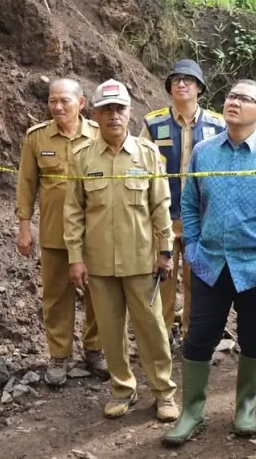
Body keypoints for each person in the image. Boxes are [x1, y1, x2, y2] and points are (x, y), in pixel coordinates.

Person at [162, 79, 256, 447]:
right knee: (198, 338)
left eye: (244, 99)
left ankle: (246, 407)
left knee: (254, 337)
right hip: (210, 262)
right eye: (230, 96)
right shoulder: (205, 153)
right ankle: (192, 411)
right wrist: (191, 245)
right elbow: (190, 203)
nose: (233, 102)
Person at [64, 79, 179, 422]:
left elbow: (161, 205)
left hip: (142, 260)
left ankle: (164, 393)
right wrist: (74, 258)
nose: (114, 116)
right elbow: (73, 212)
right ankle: (122, 390)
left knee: (153, 329)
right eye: (106, 109)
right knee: (111, 333)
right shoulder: (81, 157)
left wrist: (166, 250)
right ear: (95, 113)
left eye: (120, 109)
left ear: (130, 112)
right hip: (99, 264)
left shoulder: (147, 154)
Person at [15, 78, 108, 386]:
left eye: (64, 101)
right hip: (54, 232)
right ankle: (59, 355)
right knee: (56, 296)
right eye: (52, 101)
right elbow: (26, 186)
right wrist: (24, 226)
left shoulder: (99, 135)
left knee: (98, 292)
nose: (57, 106)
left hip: (94, 231)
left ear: (81, 103)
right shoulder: (37, 138)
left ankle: (94, 349)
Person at [140, 59, 225, 347]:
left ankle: (193, 335)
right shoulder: (153, 123)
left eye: (188, 80)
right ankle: (160, 337)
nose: (181, 84)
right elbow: (141, 167)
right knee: (162, 277)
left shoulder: (218, 124)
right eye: (175, 80)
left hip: (202, 218)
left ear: (199, 87)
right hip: (164, 214)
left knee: (196, 280)